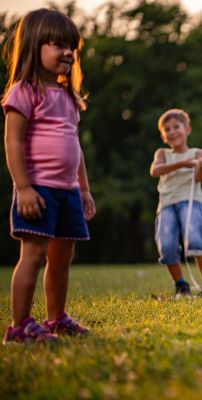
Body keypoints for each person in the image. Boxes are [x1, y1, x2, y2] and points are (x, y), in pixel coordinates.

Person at [2, 9, 95, 343]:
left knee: (61, 258)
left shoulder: (68, 97)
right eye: (57, 44)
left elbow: (76, 148)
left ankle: (56, 318)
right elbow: (12, 141)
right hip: (38, 188)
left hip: (68, 191)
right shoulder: (23, 92)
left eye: (71, 46)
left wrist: (83, 190)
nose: (67, 52)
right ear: (33, 46)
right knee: (35, 255)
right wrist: (23, 187)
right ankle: (19, 325)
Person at [150, 109, 202, 297]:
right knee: (166, 245)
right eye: (167, 129)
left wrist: (201, 167)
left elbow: (198, 178)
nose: (172, 131)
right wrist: (182, 164)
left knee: (196, 238)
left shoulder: (197, 153)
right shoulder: (162, 153)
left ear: (187, 129)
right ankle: (181, 285)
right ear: (164, 136)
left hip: (191, 201)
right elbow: (155, 171)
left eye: (176, 127)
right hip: (166, 204)